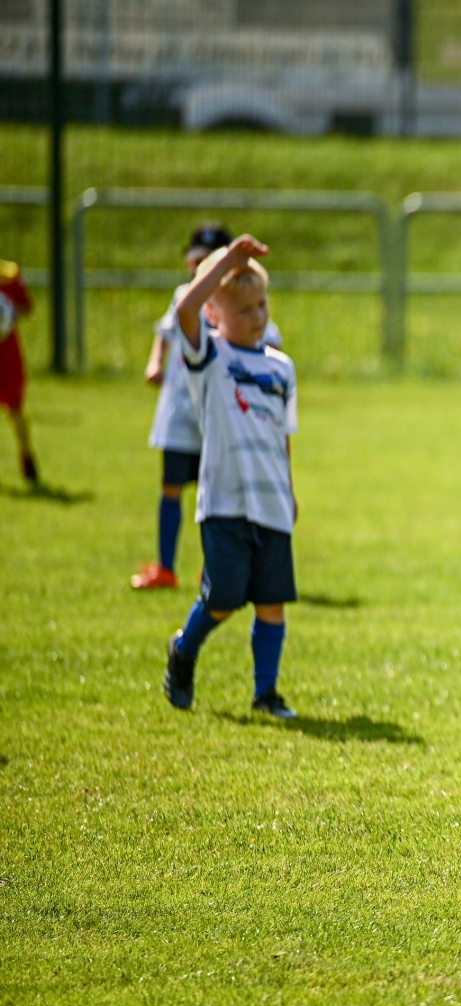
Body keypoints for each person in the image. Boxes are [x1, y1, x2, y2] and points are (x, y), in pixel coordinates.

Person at [161, 235, 300, 720]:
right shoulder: (211, 362)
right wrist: (225, 262)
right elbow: (185, 308)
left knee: (272, 599)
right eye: (244, 310)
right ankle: (184, 648)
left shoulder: (282, 368)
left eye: (261, 305)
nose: (257, 316)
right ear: (217, 318)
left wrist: (291, 489)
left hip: (272, 503)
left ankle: (266, 694)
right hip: (224, 503)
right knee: (222, 597)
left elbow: (284, 435)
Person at [133, 223, 285, 590]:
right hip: (181, 414)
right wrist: (155, 362)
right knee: (171, 486)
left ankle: (212, 568)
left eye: (207, 261)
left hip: (221, 421)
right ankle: (166, 567)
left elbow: (272, 343)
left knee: (217, 495)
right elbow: (168, 330)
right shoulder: (185, 299)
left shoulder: (240, 305)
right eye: (195, 260)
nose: (196, 267)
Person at [0, 256, 41, 488]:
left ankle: (26, 455)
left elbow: (27, 306)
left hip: (7, 355)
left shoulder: (9, 274)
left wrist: (10, 314)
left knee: (15, 408)